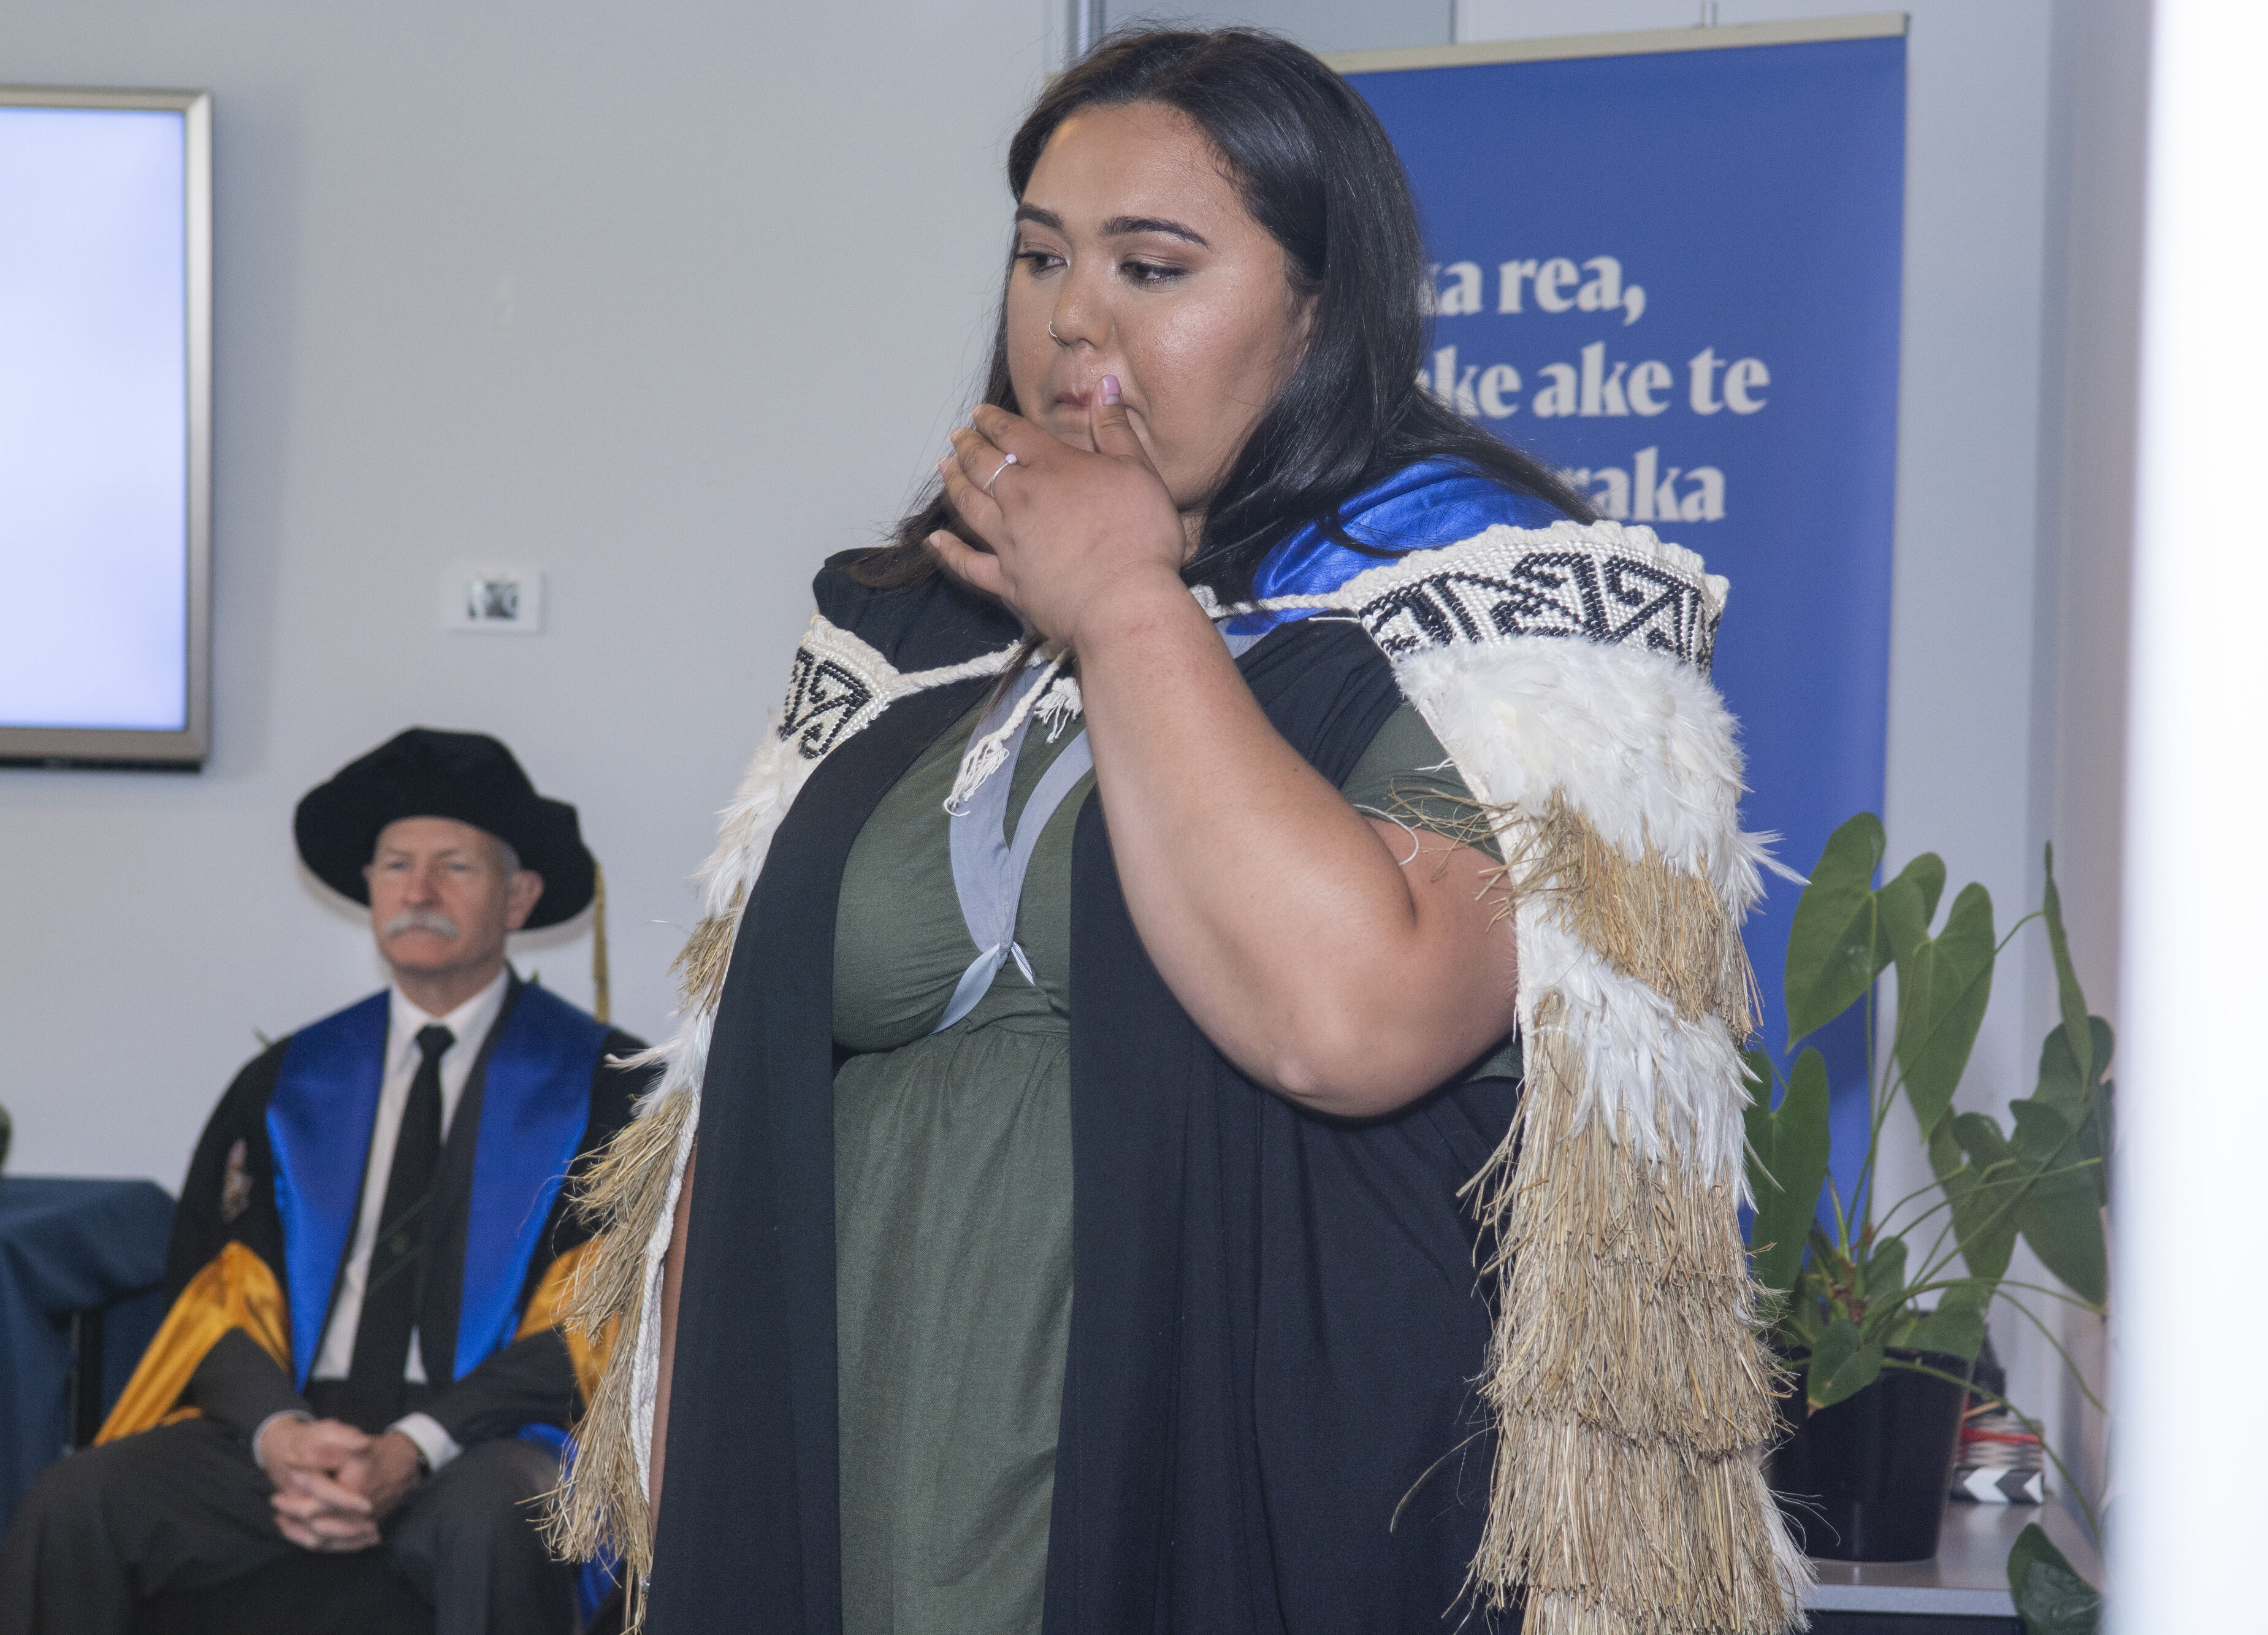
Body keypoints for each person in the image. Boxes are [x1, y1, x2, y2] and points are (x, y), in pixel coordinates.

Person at [555, 28, 1805, 1635]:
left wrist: (1128, 603)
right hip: (852, 1511)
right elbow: (732, 1111)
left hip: (1256, 1514)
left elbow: (1350, 1021)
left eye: (1154, 267)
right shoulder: (898, 633)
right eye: (1041, 257)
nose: (1074, 317)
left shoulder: (1492, 610)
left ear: (1317, 307)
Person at [0, 728, 657, 1633]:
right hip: (303, 1419)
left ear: (521, 895)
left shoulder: (607, 1084)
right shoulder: (290, 1085)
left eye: (454, 866)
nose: (417, 891)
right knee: (76, 1501)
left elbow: (602, 1321)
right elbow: (214, 1292)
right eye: (396, 864)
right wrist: (280, 1435)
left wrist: (418, 1444)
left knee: (502, 1519)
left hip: (491, 1433)